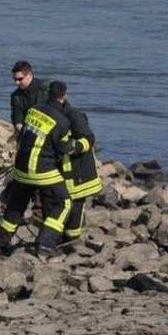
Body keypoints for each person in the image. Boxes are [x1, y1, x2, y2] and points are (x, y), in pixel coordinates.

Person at [0, 82, 72, 256]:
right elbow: (62, 149)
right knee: (63, 202)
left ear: (48, 94)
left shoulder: (33, 110)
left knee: (16, 206)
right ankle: (45, 243)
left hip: (21, 169)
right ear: (64, 96)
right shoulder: (63, 122)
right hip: (42, 171)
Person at [55, 82, 103, 245]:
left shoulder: (74, 115)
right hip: (64, 171)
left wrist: (74, 146)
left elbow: (89, 139)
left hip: (80, 172)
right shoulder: (54, 113)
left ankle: (72, 240)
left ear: (64, 96)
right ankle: (61, 237)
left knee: (76, 208)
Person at [10, 60, 52, 135]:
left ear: (29, 75)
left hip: (52, 129)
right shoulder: (16, 96)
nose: (17, 83)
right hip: (29, 133)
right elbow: (18, 121)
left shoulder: (47, 88)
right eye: (15, 79)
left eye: (20, 79)